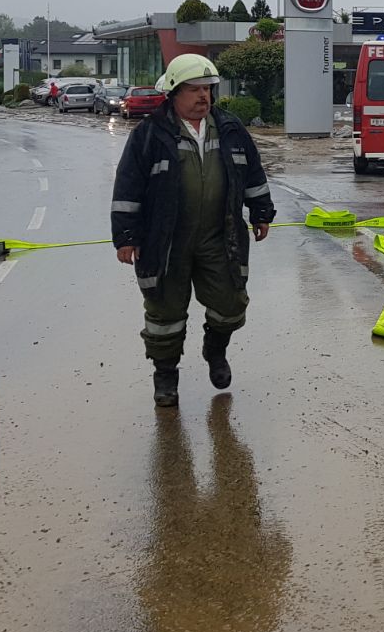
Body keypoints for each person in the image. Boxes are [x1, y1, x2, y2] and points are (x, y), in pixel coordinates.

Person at [111, 54, 275, 407]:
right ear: (174, 92)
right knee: (165, 313)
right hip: (165, 241)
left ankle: (215, 349)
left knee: (231, 303)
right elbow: (128, 186)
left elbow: (253, 173)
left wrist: (261, 211)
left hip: (220, 237)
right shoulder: (150, 134)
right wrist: (125, 237)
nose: (204, 96)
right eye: (195, 89)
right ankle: (165, 375)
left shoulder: (230, 128)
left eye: (208, 89)